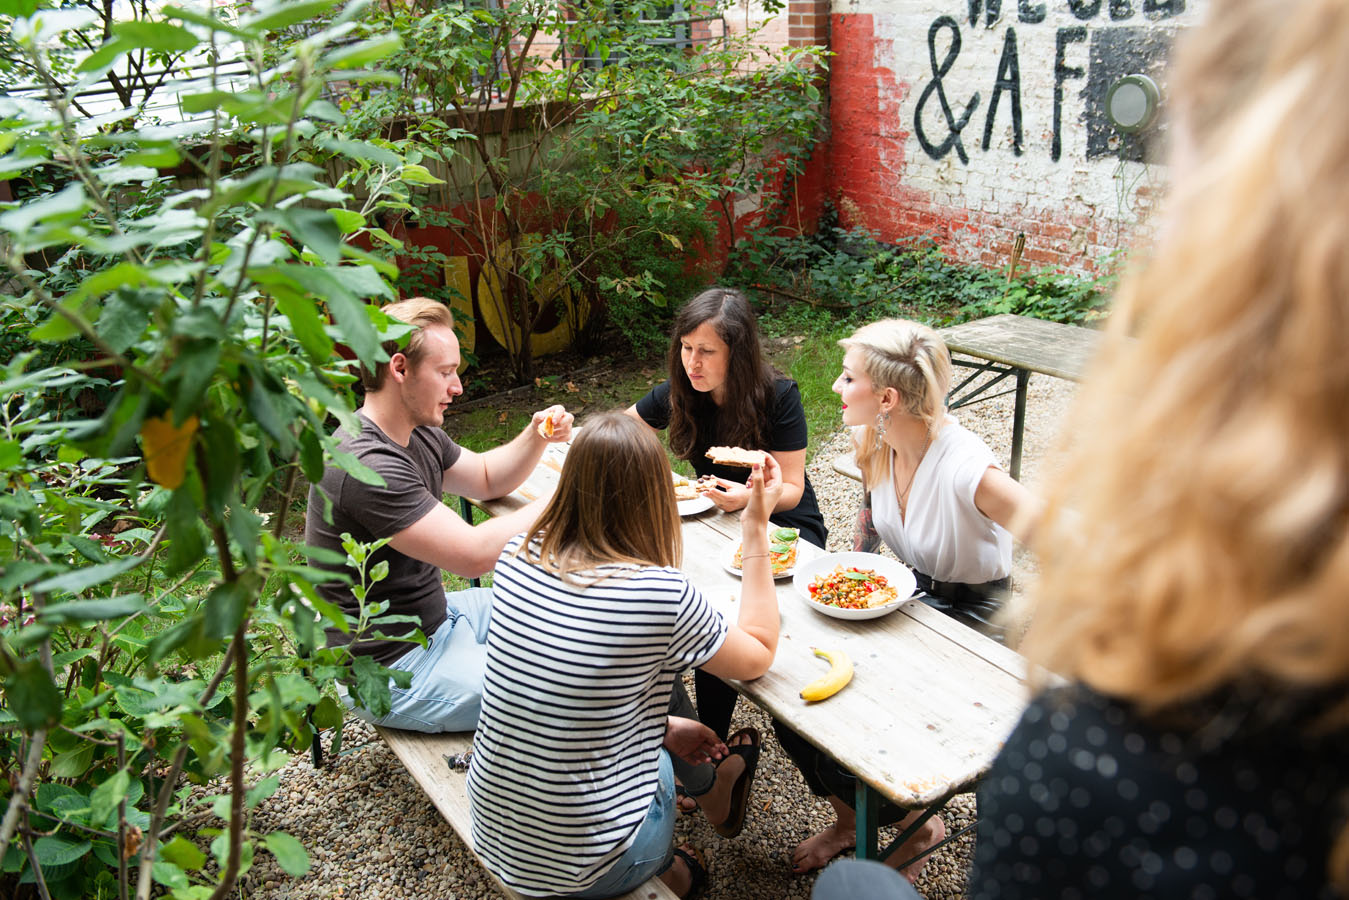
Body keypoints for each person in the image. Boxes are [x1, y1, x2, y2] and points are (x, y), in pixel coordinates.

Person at [815, 1, 1349, 897]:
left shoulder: (1098, 764)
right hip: (904, 613)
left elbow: (1063, 545)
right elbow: (871, 529)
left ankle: (892, 823)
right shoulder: (874, 450)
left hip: (965, 623)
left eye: (1175, 181)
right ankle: (859, 813)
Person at [466, 411, 785, 898]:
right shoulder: (661, 594)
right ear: (654, 495)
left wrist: (663, 727)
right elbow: (759, 653)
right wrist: (755, 525)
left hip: (496, 834)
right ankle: (672, 871)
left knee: (649, 689)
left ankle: (686, 816)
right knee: (656, 766)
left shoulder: (514, 556)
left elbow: (559, 692)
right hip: (579, 868)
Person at [778, 317, 1037, 879]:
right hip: (913, 593)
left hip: (979, 616)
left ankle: (918, 822)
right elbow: (871, 519)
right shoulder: (875, 438)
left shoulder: (969, 468)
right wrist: (846, 576)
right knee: (792, 701)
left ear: (887, 397)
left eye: (848, 379)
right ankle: (852, 820)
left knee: (871, 717)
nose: (835, 389)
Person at [305, 296, 573, 733]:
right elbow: (471, 555)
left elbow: (486, 477)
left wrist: (535, 434)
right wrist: (571, 490)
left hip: (439, 617)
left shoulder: (417, 432)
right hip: (392, 668)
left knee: (594, 614)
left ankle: (693, 766)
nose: (458, 387)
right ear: (399, 369)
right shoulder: (364, 463)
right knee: (569, 685)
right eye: (446, 373)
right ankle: (672, 771)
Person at [625, 286, 826, 822]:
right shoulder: (679, 390)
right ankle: (712, 753)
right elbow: (624, 431)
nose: (693, 362)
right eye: (687, 347)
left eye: (707, 351)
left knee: (723, 624)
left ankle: (712, 754)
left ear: (737, 354)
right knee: (703, 620)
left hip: (784, 534)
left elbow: (793, 487)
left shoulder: (779, 395)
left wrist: (750, 500)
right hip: (716, 528)